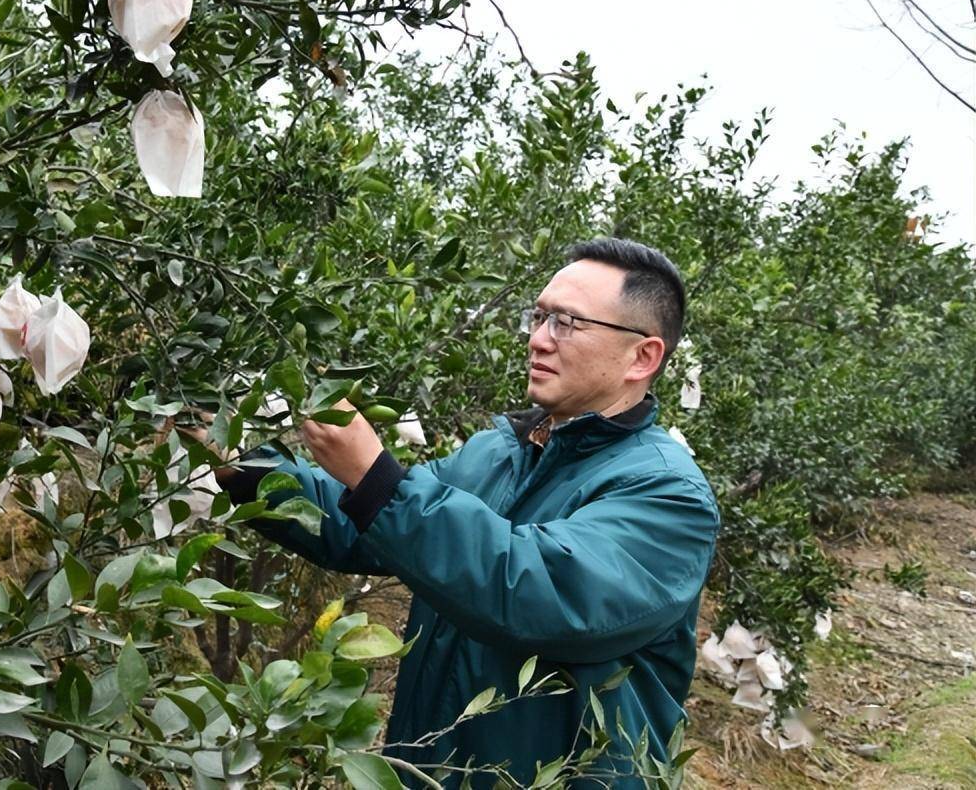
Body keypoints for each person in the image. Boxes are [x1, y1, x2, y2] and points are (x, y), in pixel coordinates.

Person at [217, 237, 719, 788]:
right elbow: (357, 525)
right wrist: (238, 468)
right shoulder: (498, 451)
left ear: (642, 356)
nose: (538, 339)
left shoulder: (668, 493)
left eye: (566, 324)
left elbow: (540, 593)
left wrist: (376, 478)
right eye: (539, 316)